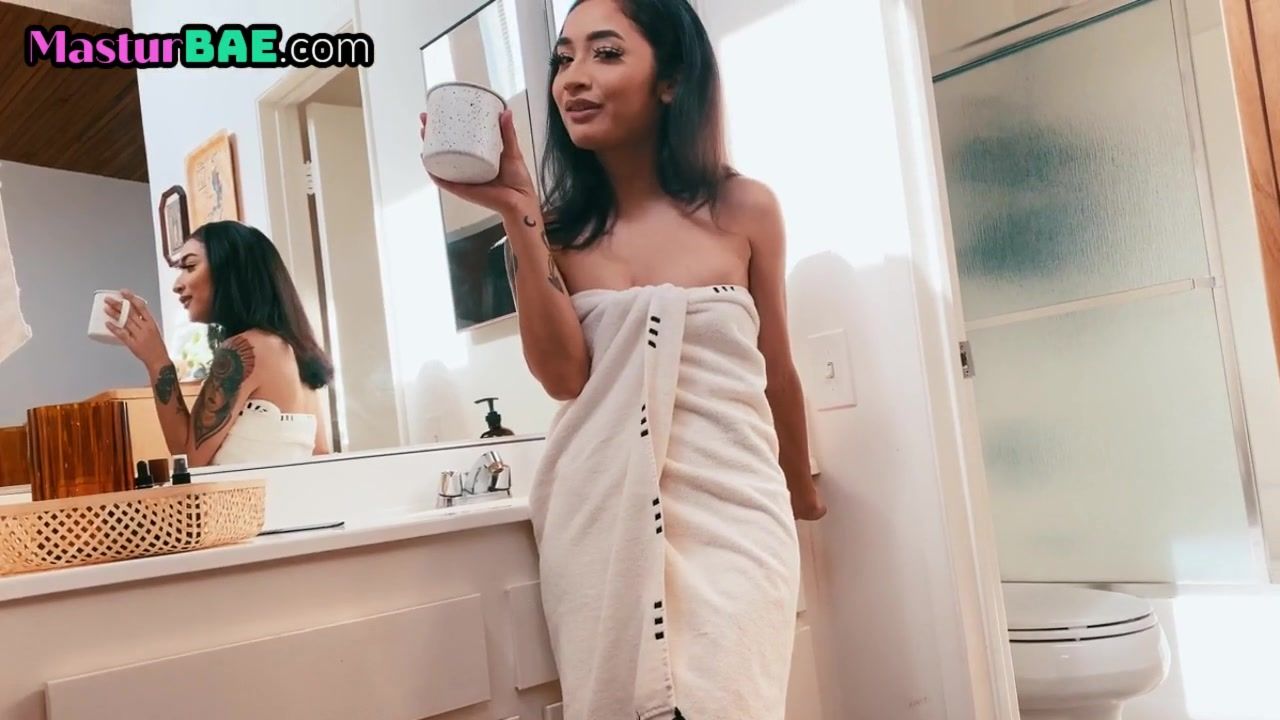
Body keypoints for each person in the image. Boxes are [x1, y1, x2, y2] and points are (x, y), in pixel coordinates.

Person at [422, 0, 825, 716]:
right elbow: (563, 378)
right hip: (599, 526)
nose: (573, 77)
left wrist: (801, 489)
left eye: (605, 53)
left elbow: (777, 368)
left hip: (737, 518)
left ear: (670, 80)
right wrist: (518, 213)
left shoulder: (744, 209)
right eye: (563, 59)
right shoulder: (551, 235)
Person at [107, 220, 333, 467]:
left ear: (229, 270)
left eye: (190, 267)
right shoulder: (294, 351)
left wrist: (157, 361)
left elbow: (189, 459)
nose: (177, 285)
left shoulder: (244, 349)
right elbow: (321, 453)